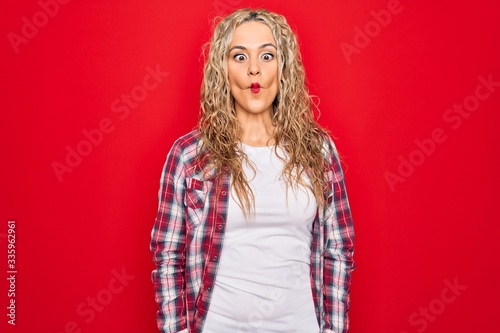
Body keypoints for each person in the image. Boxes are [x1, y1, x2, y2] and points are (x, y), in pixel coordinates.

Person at [150, 8, 355, 333]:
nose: (254, 70)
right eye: (240, 57)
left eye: (267, 55)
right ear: (223, 68)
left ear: (284, 66)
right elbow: (168, 256)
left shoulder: (318, 151)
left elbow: (338, 250)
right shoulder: (189, 156)